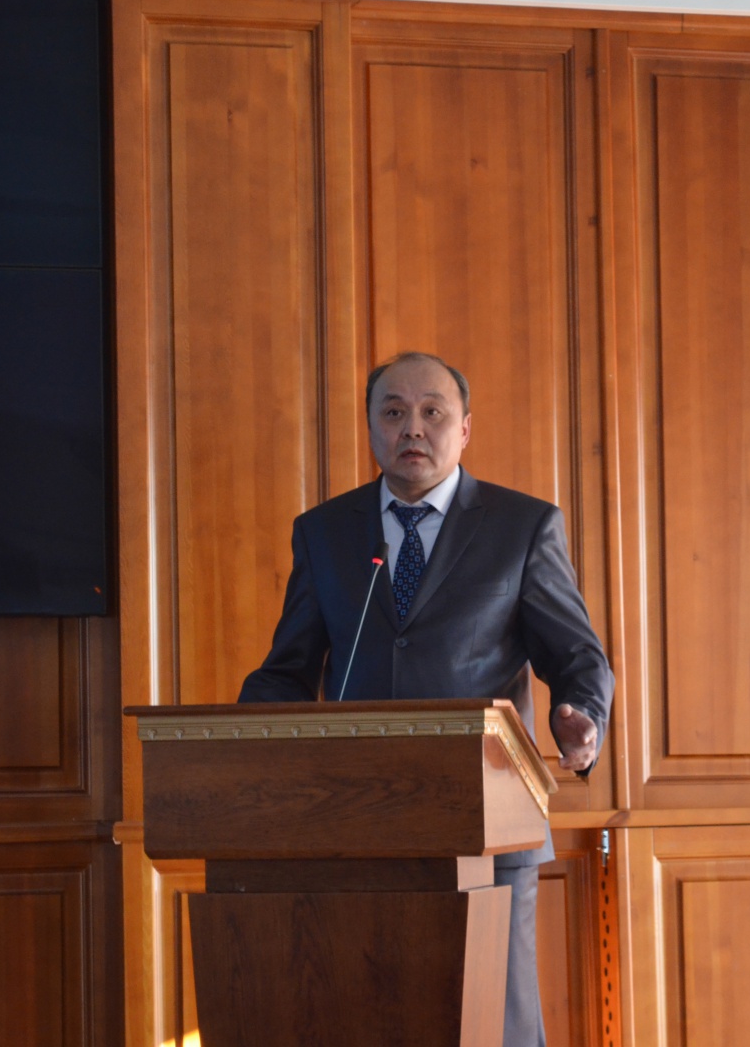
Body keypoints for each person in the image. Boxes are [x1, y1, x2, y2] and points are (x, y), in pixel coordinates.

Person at [239, 351, 615, 1047]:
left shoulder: (522, 525)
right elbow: (287, 669)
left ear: (464, 429)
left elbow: (577, 657)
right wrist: (237, 731)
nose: (412, 427)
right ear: (370, 428)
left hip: (488, 823)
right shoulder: (324, 531)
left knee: (496, 1027)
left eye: (432, 412)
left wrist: (581, 717)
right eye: (393, 412)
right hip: (353, 823)